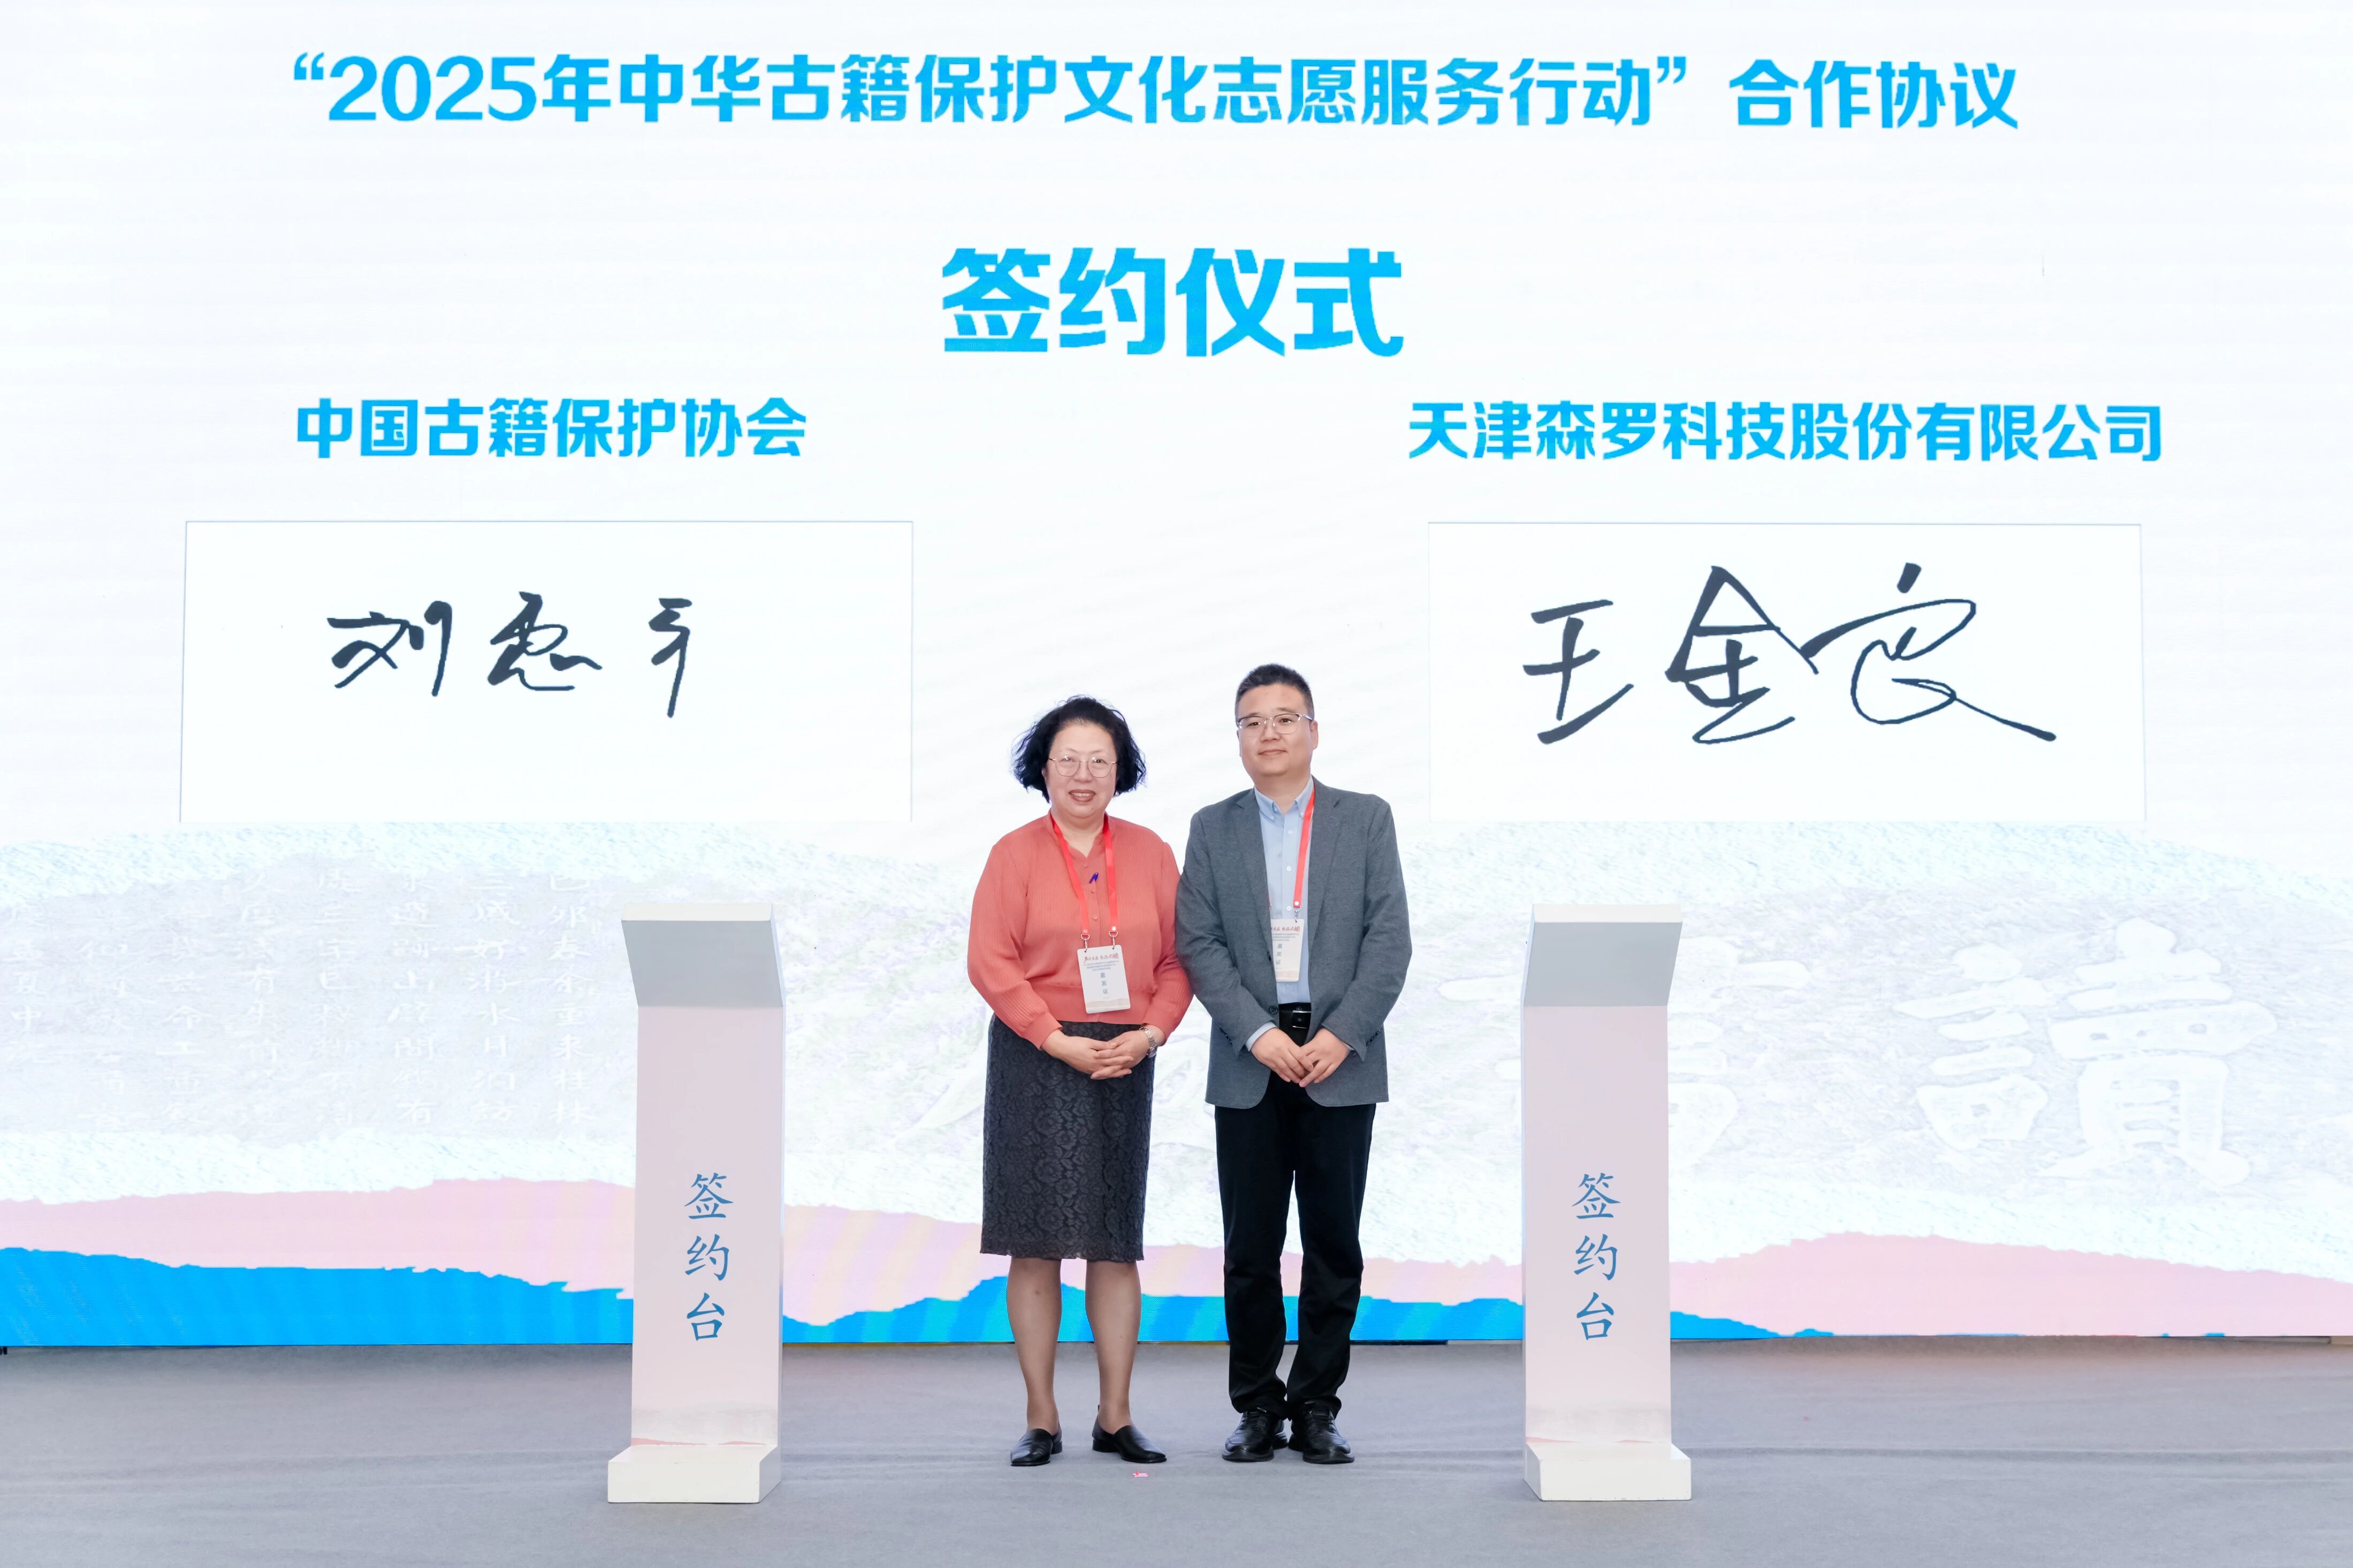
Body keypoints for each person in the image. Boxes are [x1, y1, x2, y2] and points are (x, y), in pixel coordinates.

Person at [1176, 663, 1412, 1466]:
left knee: (1332, 1245)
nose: (1268, 733)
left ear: (1314, 731)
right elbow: (1198, 944)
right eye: (1252, 721)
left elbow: (1389, 941)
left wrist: (1342, 1035)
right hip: (1253, 1060)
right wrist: (1256, 1033)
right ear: (1238, 739)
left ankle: (1315, 1405)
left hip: (1340, 1060)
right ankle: (1256, 1405)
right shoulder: (1213, 828)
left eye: (1284, 718)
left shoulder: (1365, 819)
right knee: (1249, 1249)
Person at [966, 695, 1192, 1468]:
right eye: (1068, 759)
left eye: (1100, 760)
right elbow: (990, 962)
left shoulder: (1152, 853)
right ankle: (1041, 1417)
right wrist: (1055, 1039)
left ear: (1122, 771)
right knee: (1035, 1246)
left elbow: (1179, 960)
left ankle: (1115, 1417)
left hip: (1125, 1052)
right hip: (1037, 1053)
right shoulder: (1013, 854)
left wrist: (1151, 1034)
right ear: (1043, 769)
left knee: (1112, 1244)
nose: (1084, 774)